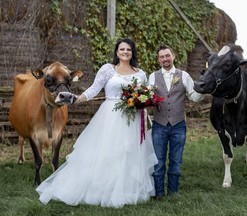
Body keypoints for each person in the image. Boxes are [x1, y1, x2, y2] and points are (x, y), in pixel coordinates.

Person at [36, 38, 158, 208]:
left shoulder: (140, 73)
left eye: (128, 50)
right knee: (107, 153)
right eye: (122, 49)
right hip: (110, 116)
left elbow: (144, 94)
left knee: (128, 152)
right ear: (117, 52)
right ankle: (100, 189)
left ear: (132, 53)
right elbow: (94, 89)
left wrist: (142, 101)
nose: (125, 52)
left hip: (133, 118)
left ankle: (127, 190)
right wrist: (77, 99)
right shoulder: (108, 69)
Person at [148, 44, 204, 199]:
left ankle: (173, 192)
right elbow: (148, 96)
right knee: (158, 161)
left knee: (176, 161)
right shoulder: (153, 76)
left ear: (173, 56)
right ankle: (159, 193)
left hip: (179, 125)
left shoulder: (184, 75)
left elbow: (193, 96)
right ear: (158, 60)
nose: (165, 59)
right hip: (159, 125)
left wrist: (203, 92)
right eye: (162, 57)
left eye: (167, 55)